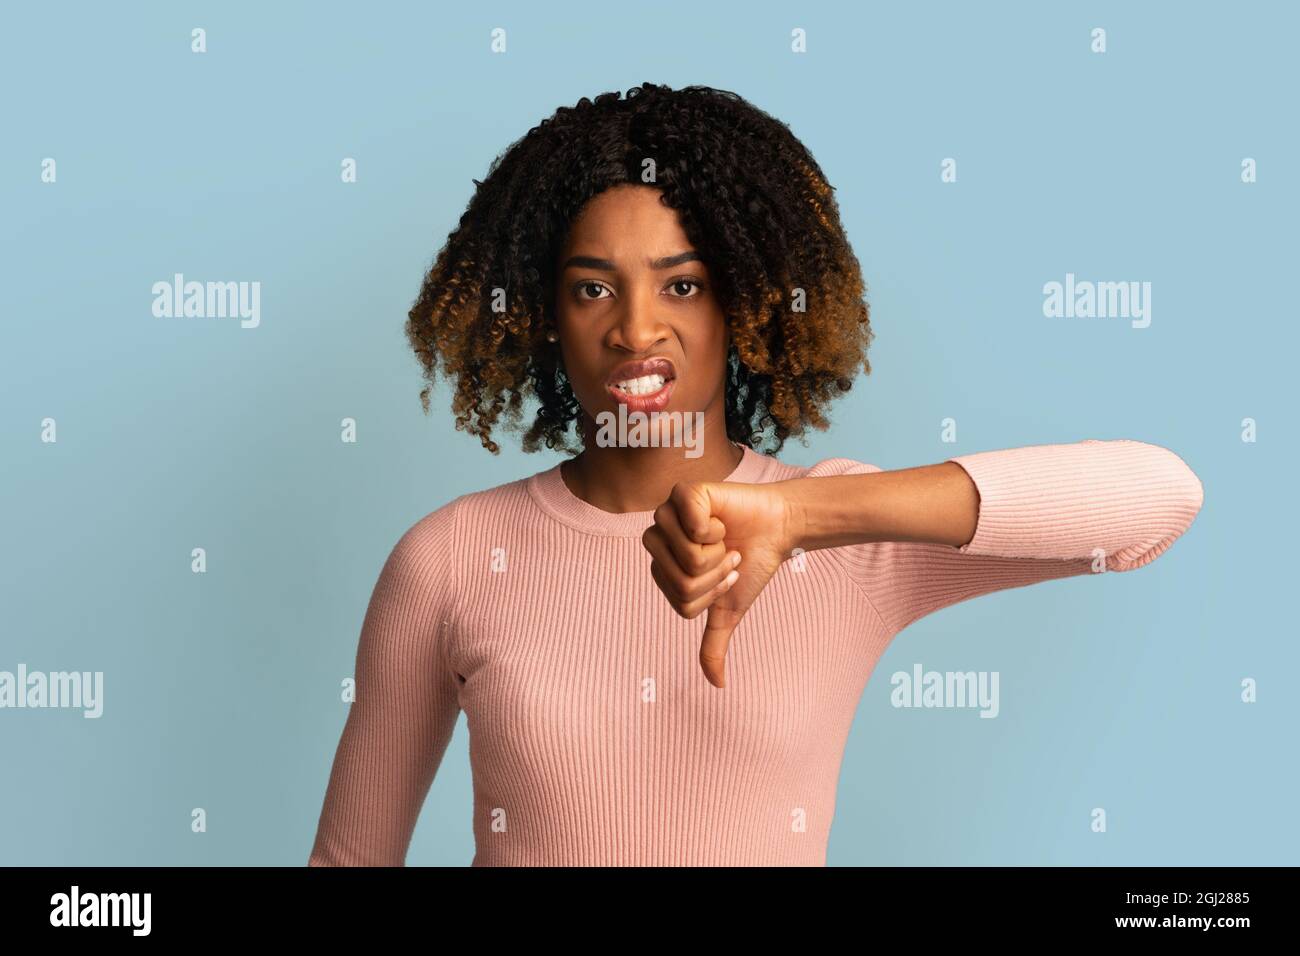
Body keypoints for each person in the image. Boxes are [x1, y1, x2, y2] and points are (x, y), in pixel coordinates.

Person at [307, 83, 1203, 867]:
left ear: (746, 302)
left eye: (682, 285)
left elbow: (1158, 497)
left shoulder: (842, 540)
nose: (635, 329)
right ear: (544, 317)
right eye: (592, 288)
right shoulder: (450, 559)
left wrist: (802, 517)